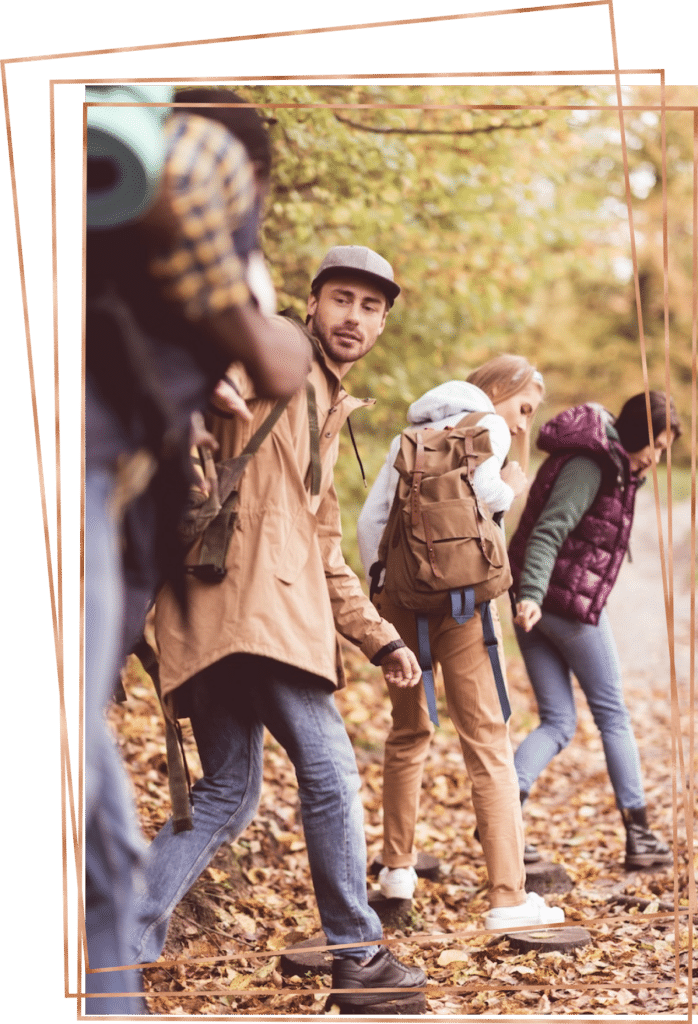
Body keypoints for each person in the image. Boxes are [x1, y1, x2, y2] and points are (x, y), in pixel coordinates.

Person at [130, 246, 428, 1014]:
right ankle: (355, 953)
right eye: (342, 299)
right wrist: (215, 366)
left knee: (228, 792)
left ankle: (116, 946)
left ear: (384, 322)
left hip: (225, 611)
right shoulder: (282, 354)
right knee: (331, 770)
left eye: (371, 307)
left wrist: (381, 638)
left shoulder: (325, 406)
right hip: (257, 610)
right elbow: (225, 338)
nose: (353, 318)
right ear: (312, 302)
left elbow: (321, 546)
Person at [84, 88, 310, 1015]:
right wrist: (249, 310)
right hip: (129, 536)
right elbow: (279, 360)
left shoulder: (124, 274)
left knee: (151, 817)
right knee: (98, 822)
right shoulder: (204, 158)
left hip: (130, 536)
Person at [357, 356, 565, 931]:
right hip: (463, 606)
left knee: (409, 731)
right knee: (487, 743)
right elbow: (488, 491)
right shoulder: (486, 426)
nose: (522, 425)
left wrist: (383, 596)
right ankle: (506, 896)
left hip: (400, 605)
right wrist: (512, 488)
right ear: (496, 391)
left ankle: (397, 869)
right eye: (523, 407)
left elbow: (372, 521)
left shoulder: (411, 435)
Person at [508, 392, 681, 869]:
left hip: (539, 603)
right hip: (560, 602)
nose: (658, 456)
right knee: (612, 714)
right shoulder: (591, 464)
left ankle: (505, 814)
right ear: (639, 434)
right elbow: (548, 529)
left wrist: (528, 598)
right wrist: (531, 595)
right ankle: (640, 834)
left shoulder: (611, 461)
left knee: (558, 722)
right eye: (658, 445)